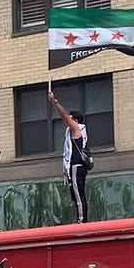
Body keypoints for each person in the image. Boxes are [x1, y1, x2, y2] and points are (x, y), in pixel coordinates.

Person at [49, 91, 90, 223]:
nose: (68, 121)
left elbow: (63, 115)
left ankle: (81, 220)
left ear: (75, 121)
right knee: (77, 194)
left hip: (76, 166)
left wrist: (54, 101)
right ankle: (81, 218)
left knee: (78, 194)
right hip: (77, 167)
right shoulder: (80, 130)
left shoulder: (76, 129)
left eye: (71, 119)